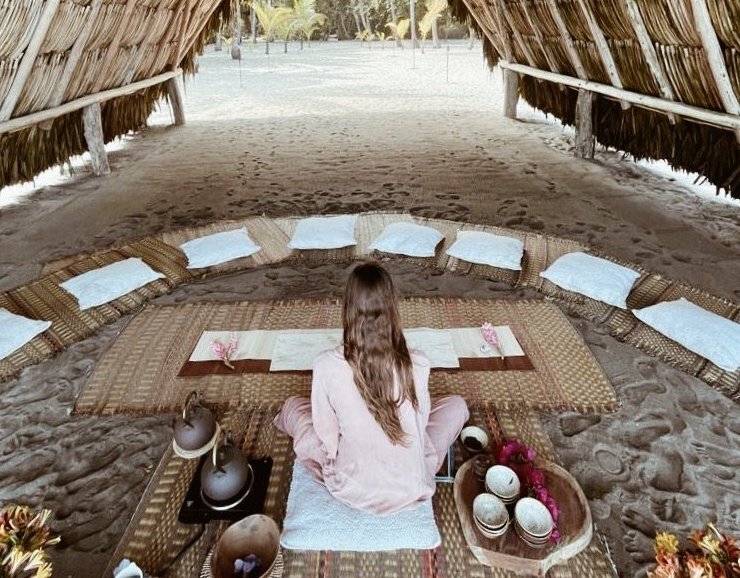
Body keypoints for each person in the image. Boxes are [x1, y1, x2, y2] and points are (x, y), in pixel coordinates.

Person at [274, 261, 469, 515]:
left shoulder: (325, 365)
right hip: (410, 486)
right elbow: (418, 428)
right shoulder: (418, 362)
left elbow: (328, 438)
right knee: (456, 406)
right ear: (392, 308)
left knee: (293, 407)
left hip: (352, 488)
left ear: (348, 309)